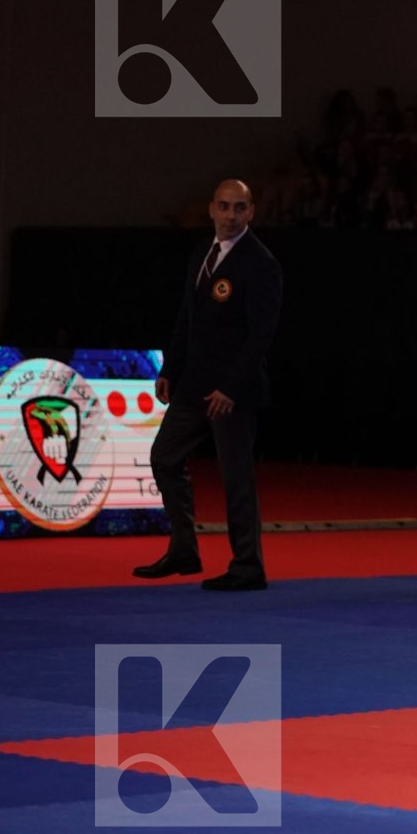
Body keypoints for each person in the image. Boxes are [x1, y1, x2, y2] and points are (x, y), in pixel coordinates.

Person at [136, 180, 283, 591]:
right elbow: (188, 318)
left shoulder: (261, 263)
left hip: (233, 392)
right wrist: (170, 368)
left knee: (236, 476)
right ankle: (184, 548)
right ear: (211, 209)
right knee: (165, 456)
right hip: (194, 383)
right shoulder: (203, 253)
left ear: (252, 211)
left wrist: (232, 388)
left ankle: (248, 566)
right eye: (224, 207)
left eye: (239, 208)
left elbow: (261, 335)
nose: (231, 215)